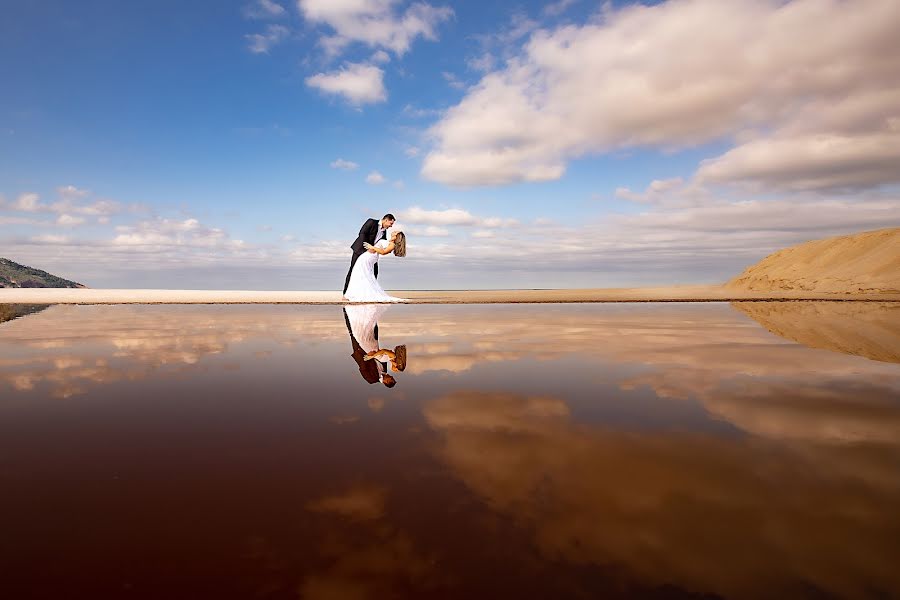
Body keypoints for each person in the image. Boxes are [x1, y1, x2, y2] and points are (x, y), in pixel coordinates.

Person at [343, 224, 407, 303]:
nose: (393, 232)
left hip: (370, 256)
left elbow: (383, 252)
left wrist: (372, 247)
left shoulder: (392, 244)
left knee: (361, 273)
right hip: (369, 256)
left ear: (397, 237)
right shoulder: (389, 241)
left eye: (395, 232)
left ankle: (358, 294)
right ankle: (355, 293)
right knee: (361, 274)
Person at [343, 214, 395, 299]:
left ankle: (371, 293)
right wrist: (367, 248)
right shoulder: (371, 222)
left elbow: (382, 242)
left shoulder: (384, 231)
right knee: (352, 270)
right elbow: (362, 233)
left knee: (374, 272)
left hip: (371, 254)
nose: (391, 226)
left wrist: (386, 249)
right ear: (386, 220)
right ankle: (345, 294)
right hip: (360, 250)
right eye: (391, 223)